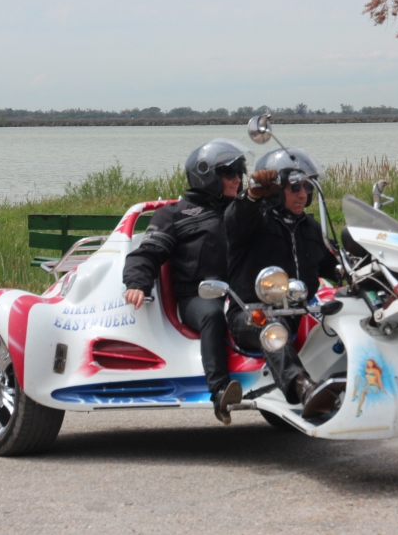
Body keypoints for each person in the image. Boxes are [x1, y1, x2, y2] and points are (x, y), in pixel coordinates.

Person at [122, 138, 250, 425]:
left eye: (240, 173)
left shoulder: (241, 211)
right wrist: (136, 283)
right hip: (198, 297)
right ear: (207, 176)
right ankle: (219, 392)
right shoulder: (173, 215)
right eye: (230, 173)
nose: (238, 180)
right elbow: (146, 253)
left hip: (239, 293)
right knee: (212, 315)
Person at [224, 148, 340, 419]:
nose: (303, 194)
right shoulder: (256, 223)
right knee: (272, 327)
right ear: (276, 190)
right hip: (251, 314)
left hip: (299, 311)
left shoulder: (310, 229)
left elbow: (334, 265)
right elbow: (235, 220)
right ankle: (303, 387)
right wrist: (253, 193)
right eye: (295, 187)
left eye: (307, 187)